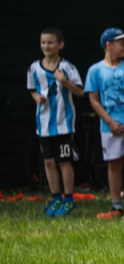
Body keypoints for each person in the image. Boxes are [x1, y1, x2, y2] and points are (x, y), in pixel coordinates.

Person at [85, 28, 124, 219]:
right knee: (114, 164)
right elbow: (93, 99)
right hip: (109, 127)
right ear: (108, 45)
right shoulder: (95, 70)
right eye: (121, 43)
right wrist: (109, 121)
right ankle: (116, 206)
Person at [28, 27, 84, 217]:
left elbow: (80, 91)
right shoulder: (34, 67)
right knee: (49, 161)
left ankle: (69, 199)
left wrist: (64, 81)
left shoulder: (67, 67)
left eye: (50, 42)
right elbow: (32, 89)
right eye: (43, 42)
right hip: (43, 124)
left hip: (63, 123)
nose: (46, 46)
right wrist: (36, 97)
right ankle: (55, 198)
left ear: (60, 45)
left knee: (64, 161)